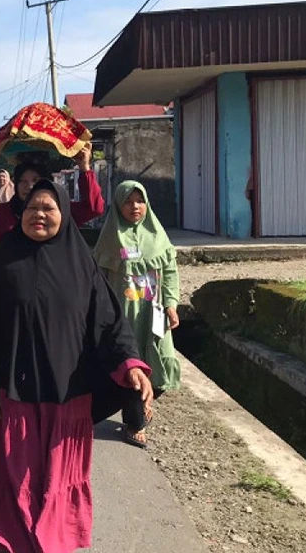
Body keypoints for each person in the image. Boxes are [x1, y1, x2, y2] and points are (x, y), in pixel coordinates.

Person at [0, 179, 153, 553]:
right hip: (13, 389)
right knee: (16, 471)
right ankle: (12, 540)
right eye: (32, 208)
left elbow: (108, 321)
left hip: (68, 392)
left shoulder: (82, 265)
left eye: (48, 208)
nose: (39, 214)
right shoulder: (1, 262)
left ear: (64, 215)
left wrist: (130, 364)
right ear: (21, 213)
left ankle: (54, 540)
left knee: (59, 474)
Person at [93, 180, 180, 448]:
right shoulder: (110, 237)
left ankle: (143, 403)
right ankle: (135, 423)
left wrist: (171, 304)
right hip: (125, 315)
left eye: (140, 201)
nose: (135, 207)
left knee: (160, 362)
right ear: (119, 205)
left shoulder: (157, 234)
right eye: (128, 202)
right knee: (131, 365)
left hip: (153, 313)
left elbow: (170, 272)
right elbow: (98, 280)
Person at [0, 147, 104, 263]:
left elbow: (93, 208)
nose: (29, 186)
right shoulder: (3, 212)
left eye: (35, 180)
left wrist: (84, 168)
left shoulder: (58, 210)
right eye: (23, 181)